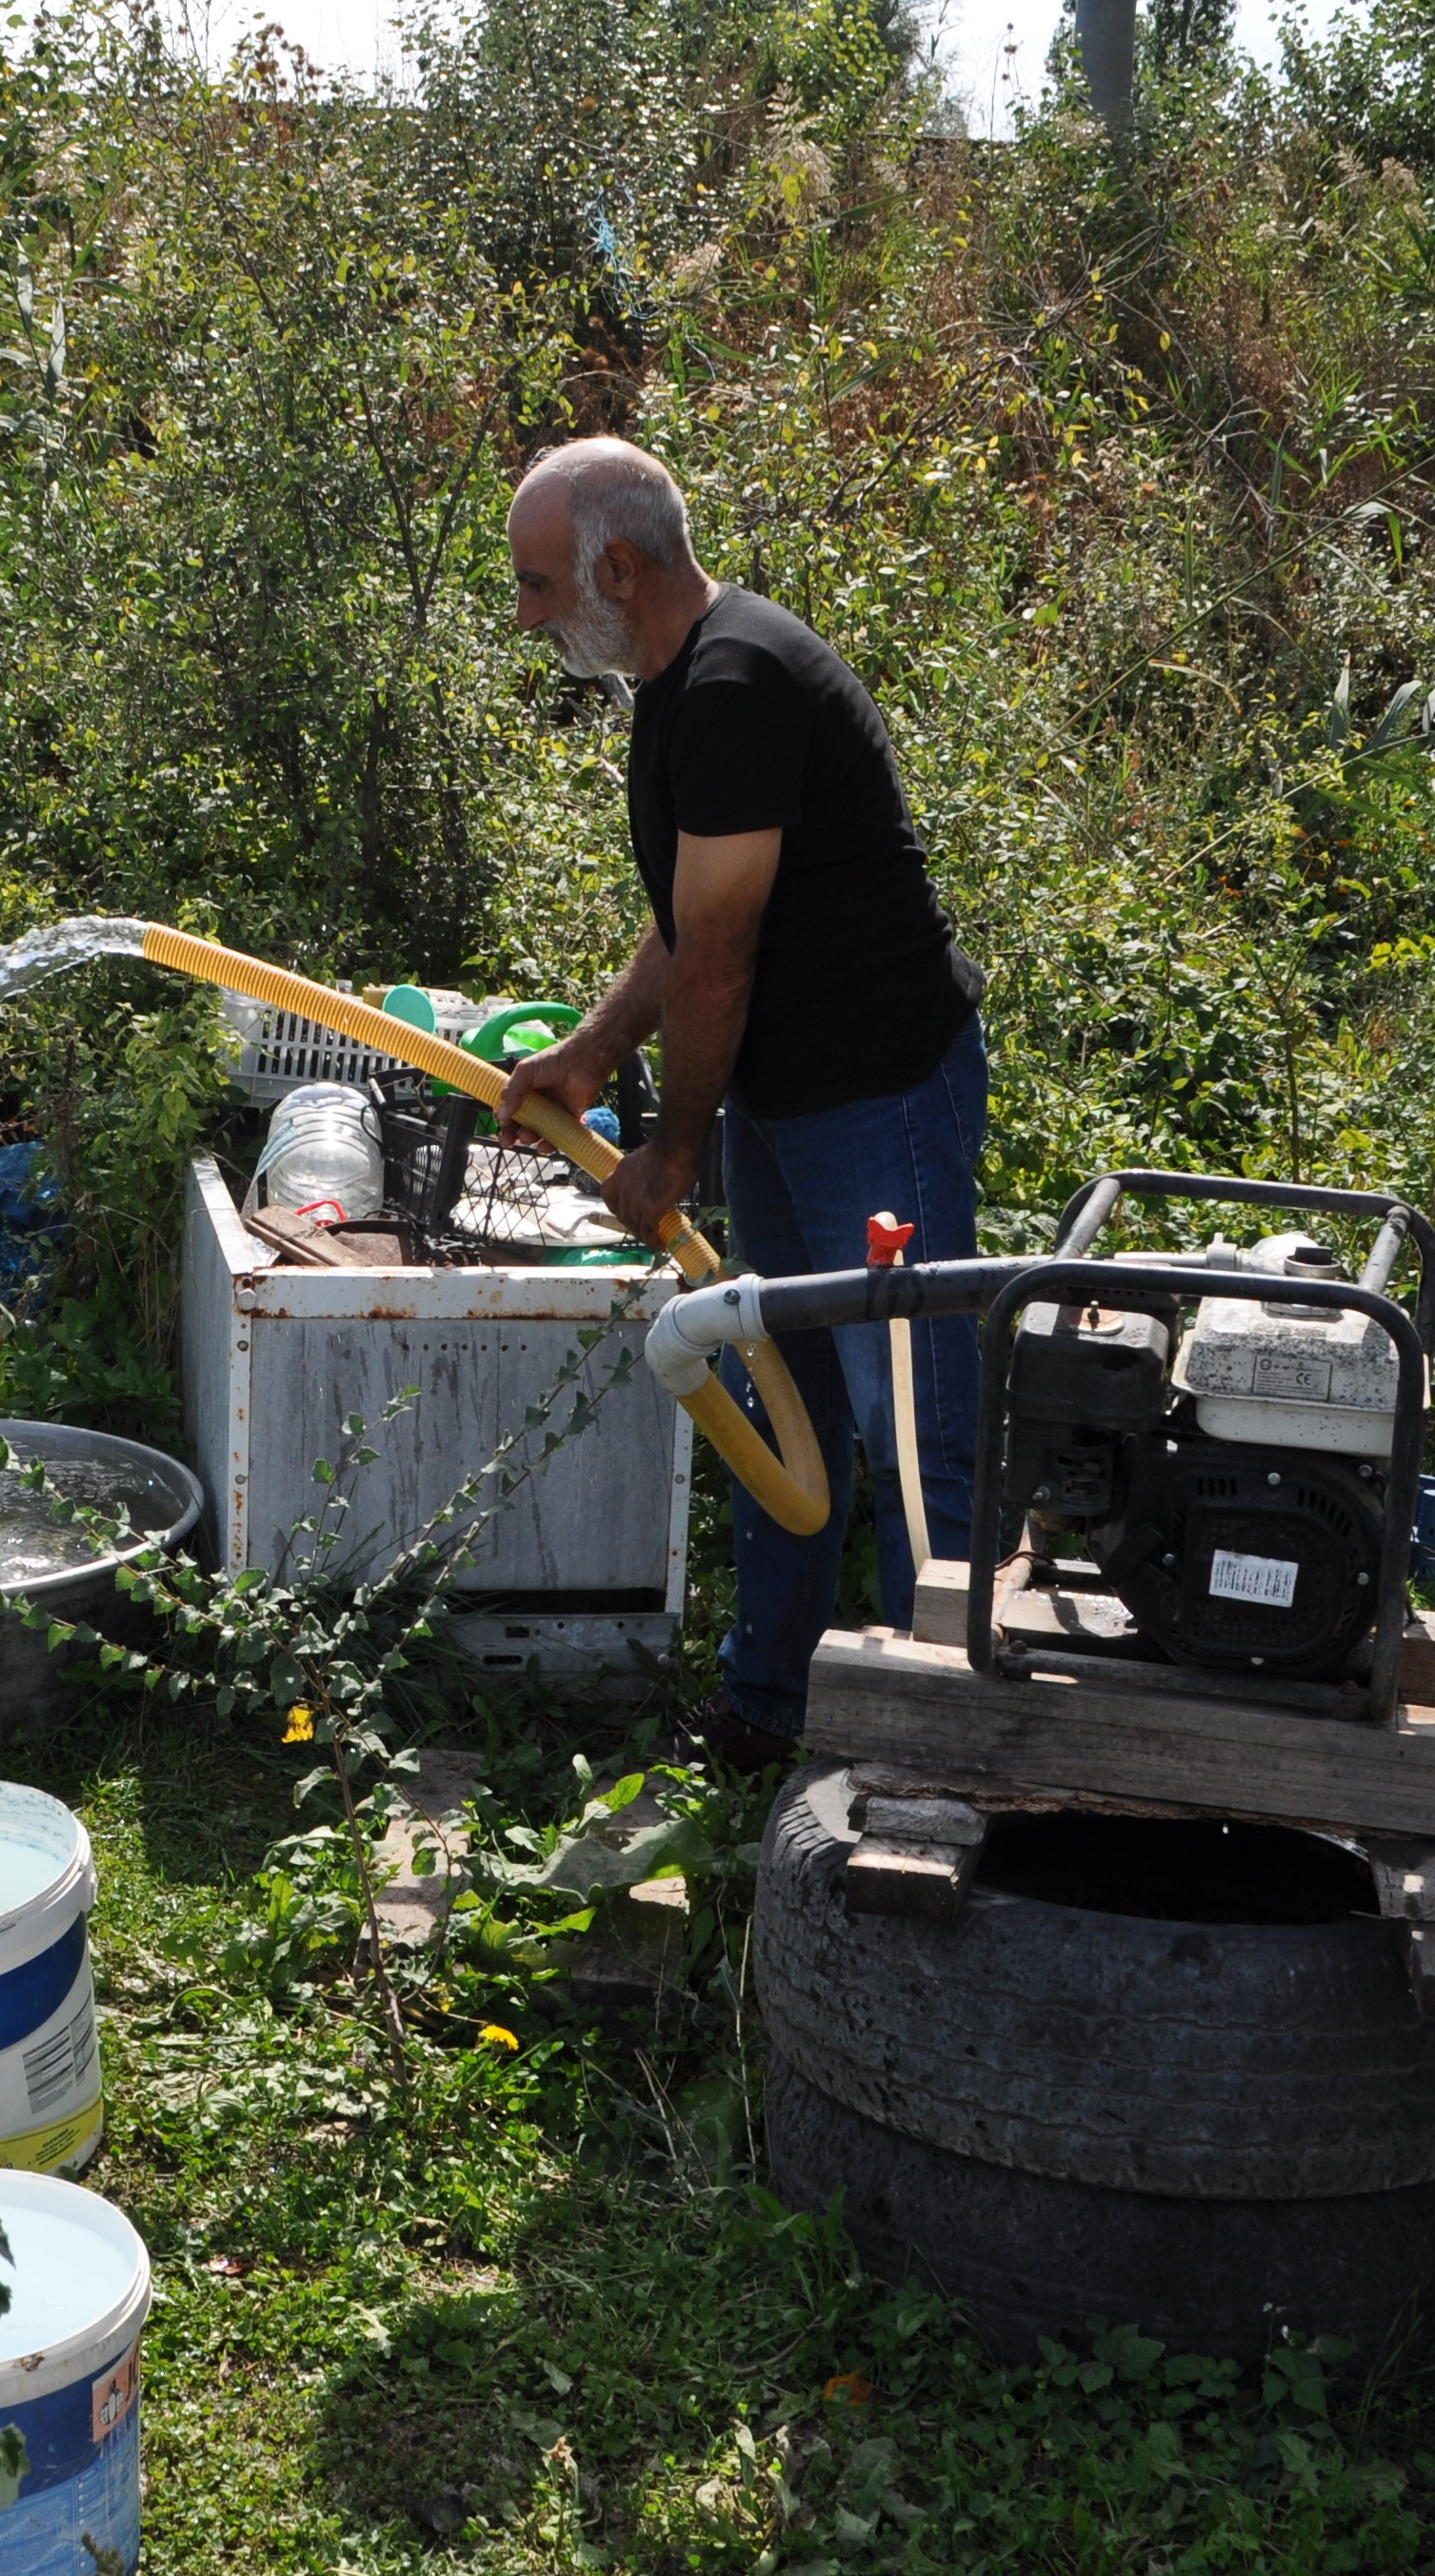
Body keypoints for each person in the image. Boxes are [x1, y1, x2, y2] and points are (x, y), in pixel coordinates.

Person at [494, 437, 988, 1773]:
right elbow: (686, 923)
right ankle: (771, 1712)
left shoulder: (735, 685)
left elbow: (723, 957)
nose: (530, 616)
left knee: (914, 1433)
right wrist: (593, 1054)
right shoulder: (679, 680)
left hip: (881, 1099)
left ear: (619, 566)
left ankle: (947, 1751)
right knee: (788, 1410)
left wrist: (671, 1151)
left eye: (543, 586)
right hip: (796, 1100)